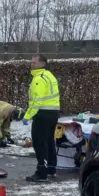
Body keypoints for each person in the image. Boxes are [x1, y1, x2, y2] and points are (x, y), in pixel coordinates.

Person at [23, 54, 61, 182]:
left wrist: (27, 115)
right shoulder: (50, 76)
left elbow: (37, 101)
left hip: (42, 114)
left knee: (40, 143)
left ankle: (41, 172)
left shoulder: (39, 78)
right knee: (49, 142)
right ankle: (51, 169)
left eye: (34, 62)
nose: (31, 64)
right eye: (31, 62)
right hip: (53, 113)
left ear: (42, 63)